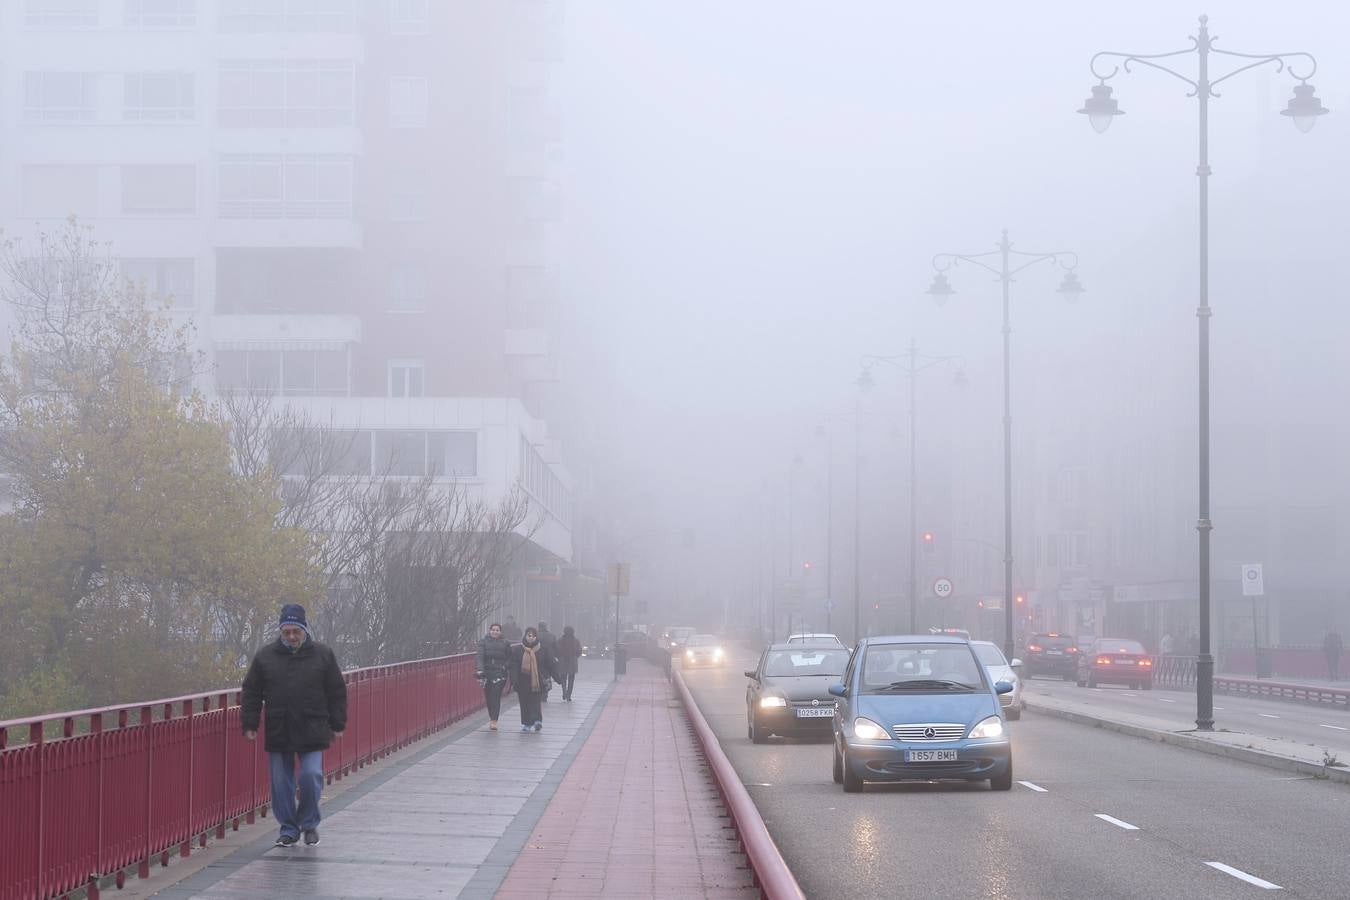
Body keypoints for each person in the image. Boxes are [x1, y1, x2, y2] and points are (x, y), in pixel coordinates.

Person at [241, 603, 347, 848]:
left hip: (313, 727)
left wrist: (337, 723)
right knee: (281, 783)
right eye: (286, 632)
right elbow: (252, 692)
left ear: (304, 630)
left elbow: (336, 691)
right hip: (279, 727)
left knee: (311, 776)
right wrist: (250, 723)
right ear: (281, 631)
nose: (290, 637)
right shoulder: (265, 657)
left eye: (295, 632)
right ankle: (289, 829)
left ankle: (309, 824)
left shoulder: (323, 654)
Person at [510, 627, 556, 732]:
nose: (531, 638)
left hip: (537, 680)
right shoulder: (518, 650)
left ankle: (537, 721)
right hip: (522, 681)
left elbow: (550, 664)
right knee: (524, 703)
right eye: (529, 635)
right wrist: (514, 680)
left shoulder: (543, 649)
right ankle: (527, 723)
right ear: (525, 636)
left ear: (536, 637)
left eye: (533, 636)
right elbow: (514, 666)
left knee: (535, 701)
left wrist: (557, 677)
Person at [476, 622, 513, 730]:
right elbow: (480, 656)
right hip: (487, 673)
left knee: (495, 696)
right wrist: (480, 670)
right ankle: (492, 716)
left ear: (500, 632)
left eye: (497, 630)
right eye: (493, 630)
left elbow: (510, 657)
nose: (495, 632)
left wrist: (505, 667)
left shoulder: (505, 643)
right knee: (488, 696)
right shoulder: (483, 642)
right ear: (490, 630)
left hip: (500, 673)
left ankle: (494, 720)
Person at [556, 625, 582, 701]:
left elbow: (557, 649)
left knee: (563, 677)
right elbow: (579, 650)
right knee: (571, 678)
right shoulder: (576, 640)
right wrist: (576, 656)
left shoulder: (560, 640)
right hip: (572, 660)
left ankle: (564, 692)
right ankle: (568, 695)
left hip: (562, 660)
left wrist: (559, 657)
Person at [537, 622, 558, 701]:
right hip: (549, 659)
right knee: (547, 676)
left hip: (537, 658)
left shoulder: (535, 635)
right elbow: (556, 648)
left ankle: (538, 692)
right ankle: (545, 694)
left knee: (537, 675)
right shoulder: (552, 636)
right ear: (546, 627)